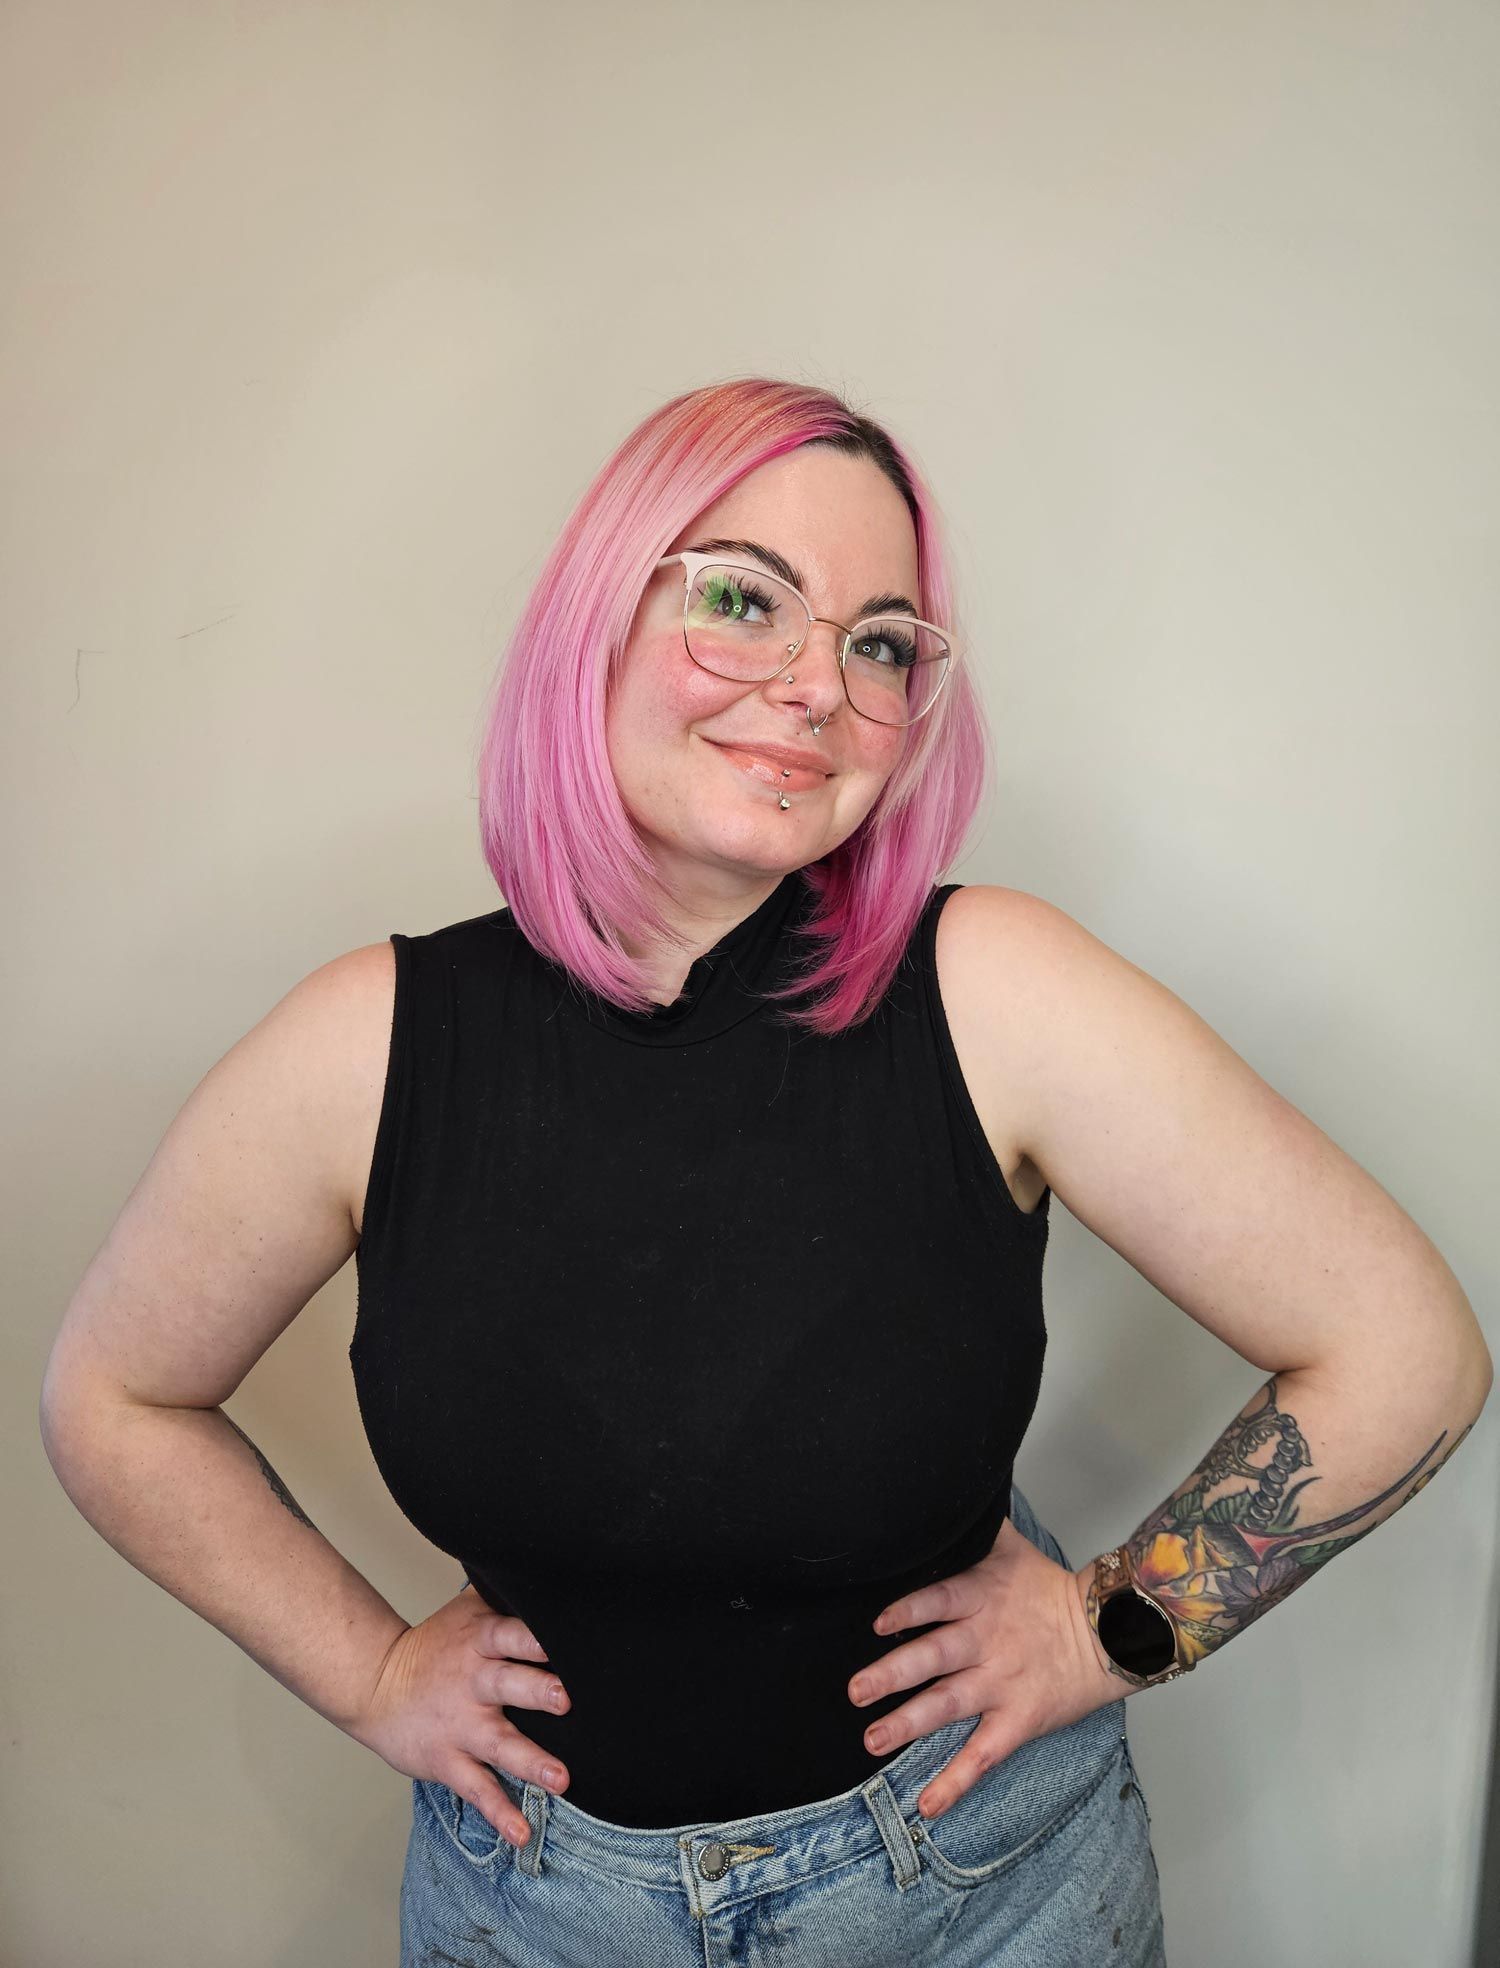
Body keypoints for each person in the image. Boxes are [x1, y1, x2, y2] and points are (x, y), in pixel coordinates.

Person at [40, 378, 1490, 1968]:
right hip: (538, 1909)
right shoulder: (364, 1050)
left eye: (879, 641)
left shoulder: (999, 994)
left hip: (978, 1892)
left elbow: (1404, 1351)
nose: (818, 686)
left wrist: (1110, 1629)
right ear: (593, 622)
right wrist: (376, 1675)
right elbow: (114, 1399)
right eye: (743, 598)